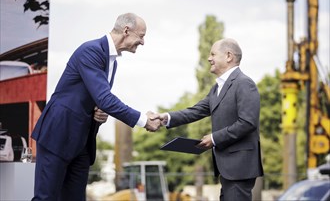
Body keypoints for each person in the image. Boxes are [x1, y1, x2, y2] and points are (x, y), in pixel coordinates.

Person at [31, 13, 161, 201]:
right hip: (58, 134)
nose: (142, 42)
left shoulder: (112, 63)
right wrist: (143, 120)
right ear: (126, 30)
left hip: (83, 141)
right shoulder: (90, 51)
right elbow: (105, 98)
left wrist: (100, 113)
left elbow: (100, 101)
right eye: (141, 36)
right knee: (46, 198)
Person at [155, 38, 264, 201]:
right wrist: (165, 118)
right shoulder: (216, 88)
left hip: (239, 168)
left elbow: (247, 123)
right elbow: (196, 111)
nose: (209, 58)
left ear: (228, 56)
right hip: (227, 168)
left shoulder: (244, 83)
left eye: (213, 54)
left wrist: (214, 138)